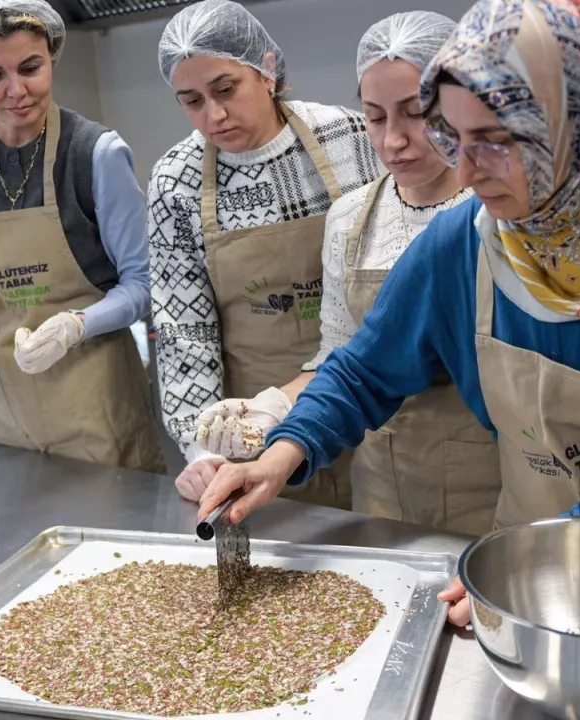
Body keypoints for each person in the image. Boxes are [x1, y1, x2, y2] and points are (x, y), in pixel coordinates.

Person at [198, 0, 580, 624]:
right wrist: (282, 452)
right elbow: (363, 370)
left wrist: (539, 558)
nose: (464, 168)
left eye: (494, 141)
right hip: (534, 565)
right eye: (454, 137)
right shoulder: (464, 243)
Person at [193, 12, 500, 535]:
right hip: (382, 483)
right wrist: (274, 409)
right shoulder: (352, 219)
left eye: (415, 114)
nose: (393, 140)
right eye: (375, 117)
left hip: (488, 483)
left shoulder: (490, 216)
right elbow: (347, 362)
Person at [0, 0, 165, 473]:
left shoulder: (95, 155)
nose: (16, 91)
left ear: (53, 53)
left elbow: (142, 285)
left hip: (94, 406)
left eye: (30, 68)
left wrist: (75, 326)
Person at [148, 0, 382, 508]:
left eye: (225, 89)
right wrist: (202, 449)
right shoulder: (175, 180)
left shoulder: (352, 137)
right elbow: (184, 330)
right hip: (251, 437)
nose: (213, 115)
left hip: (371, 413)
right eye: (191, 101)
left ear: (267, 69)